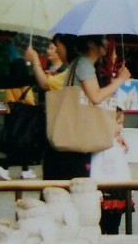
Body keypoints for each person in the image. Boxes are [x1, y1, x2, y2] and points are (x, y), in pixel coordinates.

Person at [42, 35, 130, 181]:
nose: (107, 43)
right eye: (103, 40)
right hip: (76, 143)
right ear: (91, 43)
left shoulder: (82, 64)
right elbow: (96, 97)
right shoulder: (84, 63)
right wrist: (120, 80)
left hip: (75, 136)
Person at [91, 108, 133, 235]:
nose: (121, 127)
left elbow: (122, 168)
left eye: (121, 123)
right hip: (104, 189)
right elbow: (96, 167)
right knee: (104, 225)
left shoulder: (116, 143)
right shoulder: (100, 143)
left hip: (118, 188)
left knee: (113, 226)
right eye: (118, 123)